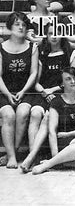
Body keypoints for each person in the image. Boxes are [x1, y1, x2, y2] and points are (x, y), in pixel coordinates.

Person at [19, 23, 75, 172]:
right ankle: (33, 154)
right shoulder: (43, 54)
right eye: (51, 33)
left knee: (48, 116)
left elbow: (73, 81)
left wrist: (53, 90)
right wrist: (44, 91)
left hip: (63, 94)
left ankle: (32, 157)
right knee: (35, 113)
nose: (54, 36)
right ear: (46, 36)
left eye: (57, 33)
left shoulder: (70, 53)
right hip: (44, 94)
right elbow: (37, 81)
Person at [0, 12, 39, 168]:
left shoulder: (32, 47)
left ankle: (13, 153)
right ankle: (11, 157)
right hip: (5, 91)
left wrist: (23, 91)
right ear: (10, 27)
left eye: (23, 24)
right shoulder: (1, 47)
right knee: (8, 115)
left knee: (22, 113)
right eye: (17, 24)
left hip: (26, 90)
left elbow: (34, 73)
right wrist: (8, 94)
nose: (21, 27)